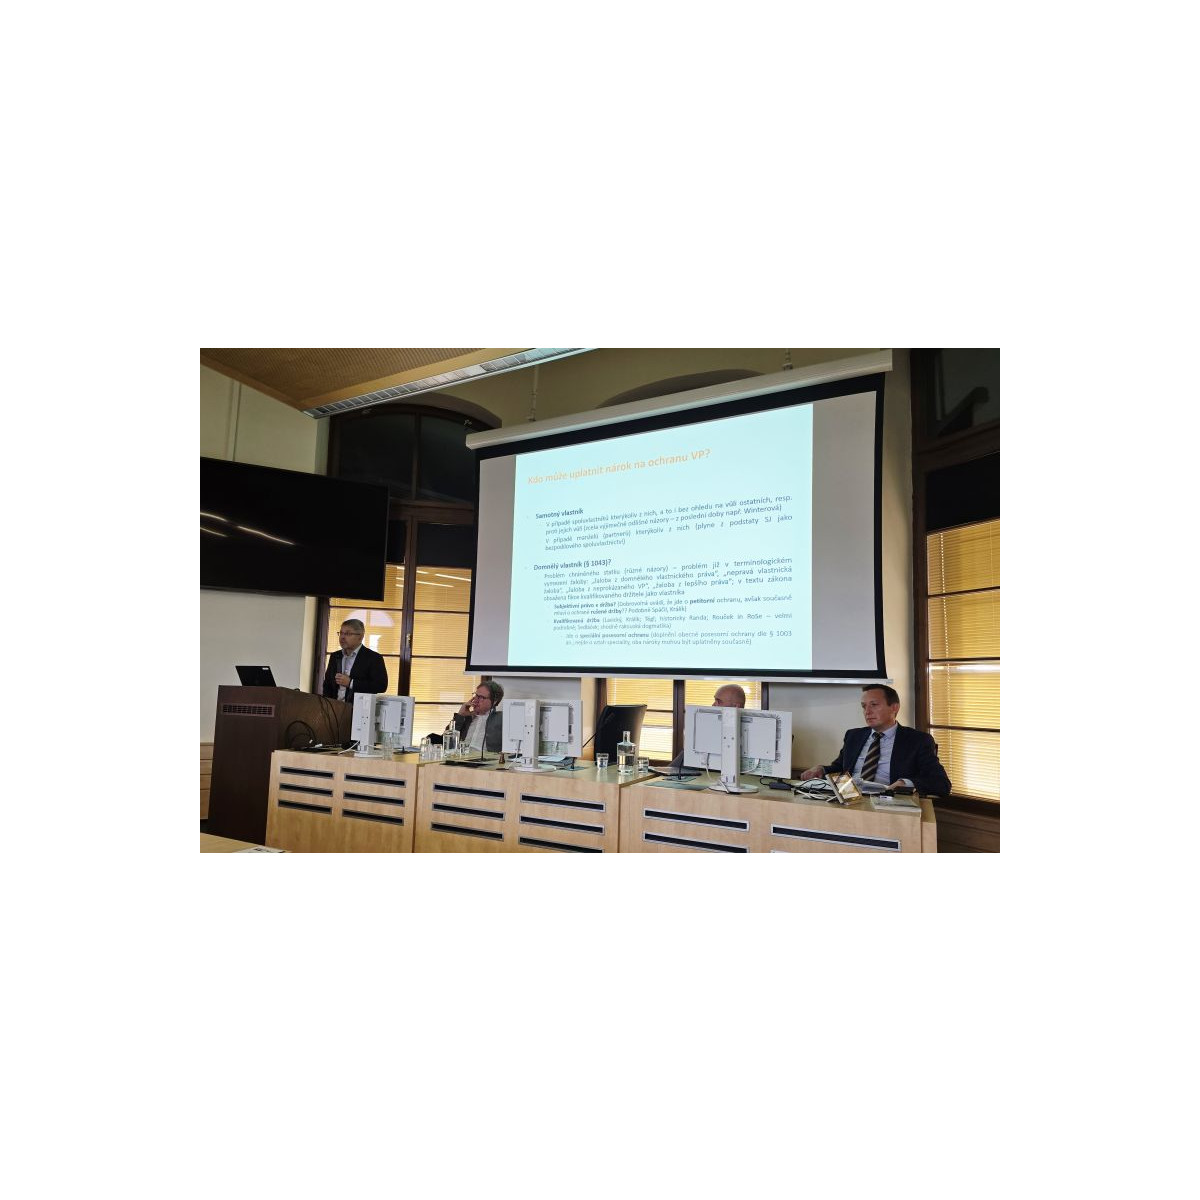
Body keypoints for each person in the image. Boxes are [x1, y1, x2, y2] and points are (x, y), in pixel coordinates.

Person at [799, 684, 951, 796]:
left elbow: (941, 783)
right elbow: (840, 768)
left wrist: (905, 783)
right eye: (864, 706)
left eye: (874, 705)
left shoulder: (917, 740)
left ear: (894, 708)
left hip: (887, 802)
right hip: (849, 797)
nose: (867, 712)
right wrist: (821, 769)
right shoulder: (854, 736)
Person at [666, 683, 746, 772]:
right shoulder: (706, 729)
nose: (713, 705)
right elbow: (674, 769)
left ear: (736, 706)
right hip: (700, 776)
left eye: (718, 701)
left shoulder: (751, 734)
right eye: (714, 700)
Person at [322, 619, 388, 703]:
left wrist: (351, 683)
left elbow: (381, 686)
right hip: (333, 707)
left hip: (359, 708)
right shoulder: (335, 656)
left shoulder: (374, 658)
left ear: (360, 637)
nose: (342, 637)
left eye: (348, 634)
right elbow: (327, 684)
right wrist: (327, 704)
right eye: (341, 633)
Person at [452, 681, 505, 754]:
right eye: (476, 695)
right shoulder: (467, 716)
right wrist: (460, 715)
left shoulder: (502, 719)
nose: (476, 700)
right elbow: (446, 741)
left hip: (485, 759)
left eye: (481, 697)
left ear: (494, 701)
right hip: (461, 757)